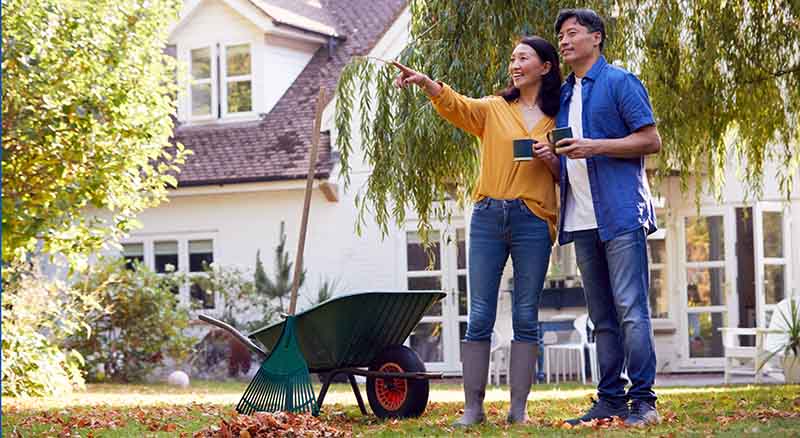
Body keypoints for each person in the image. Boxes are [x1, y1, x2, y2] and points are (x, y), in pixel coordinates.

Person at [392, 36, 561, 425]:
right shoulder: (494, 108)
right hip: (487, 216)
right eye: (512, 58)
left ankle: (519, 409)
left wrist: (552, 159)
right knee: (480, 312)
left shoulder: (560, 116)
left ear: (545, 66)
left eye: (523, 58)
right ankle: (473, 408)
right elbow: (457, 105)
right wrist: (426, 83)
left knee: (525, 314)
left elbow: (565, 175)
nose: (515, 64)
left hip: (533, 218)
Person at [552, 8, 663, 427]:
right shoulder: (563, 94)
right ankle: (610, 399)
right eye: (560, 36)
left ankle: (644, 401)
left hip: (620, 215)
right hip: (580, 218)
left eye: (572, 33)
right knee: (602, 317)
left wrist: (594, 146)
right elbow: (568, 155)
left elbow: (650, 140)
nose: (564, 41)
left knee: (632, 309)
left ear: (596, 38)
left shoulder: (620, 82)